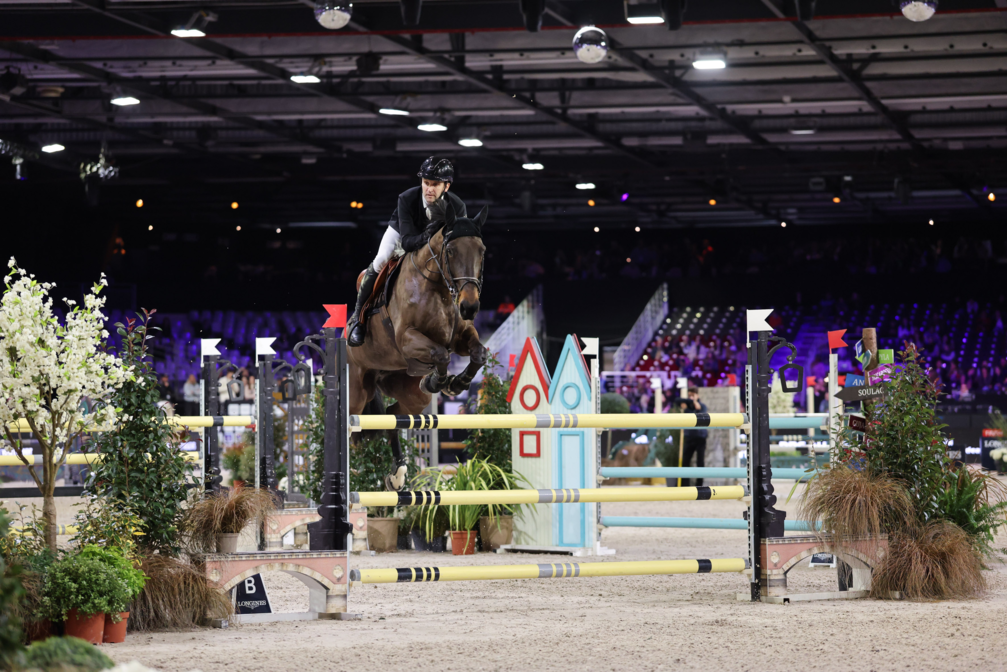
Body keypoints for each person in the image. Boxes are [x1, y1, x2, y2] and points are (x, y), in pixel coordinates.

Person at [346, 156, 468, 347]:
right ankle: (358, 318)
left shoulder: (458, 207)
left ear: (447, 186)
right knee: (381, 259)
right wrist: (426, 236)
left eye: (435, 184)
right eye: (426, 183)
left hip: (432, 243)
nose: (429, 188)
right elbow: (408, 242)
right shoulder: (407, 198)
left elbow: (458, 244)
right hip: (402, 234)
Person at [669, 387, 708, 488]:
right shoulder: (686, 404)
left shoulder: (702, 406)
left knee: (700, 462)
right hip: (689, 437)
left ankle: (700, 485)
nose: (691, 397)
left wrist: (688, 407)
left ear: (697, 396)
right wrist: (688, 403)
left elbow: (697, 415)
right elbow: (676, 400)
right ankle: (684, 485)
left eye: (693, 395)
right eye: (689, 395)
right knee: (685, 462)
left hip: (700, 437)